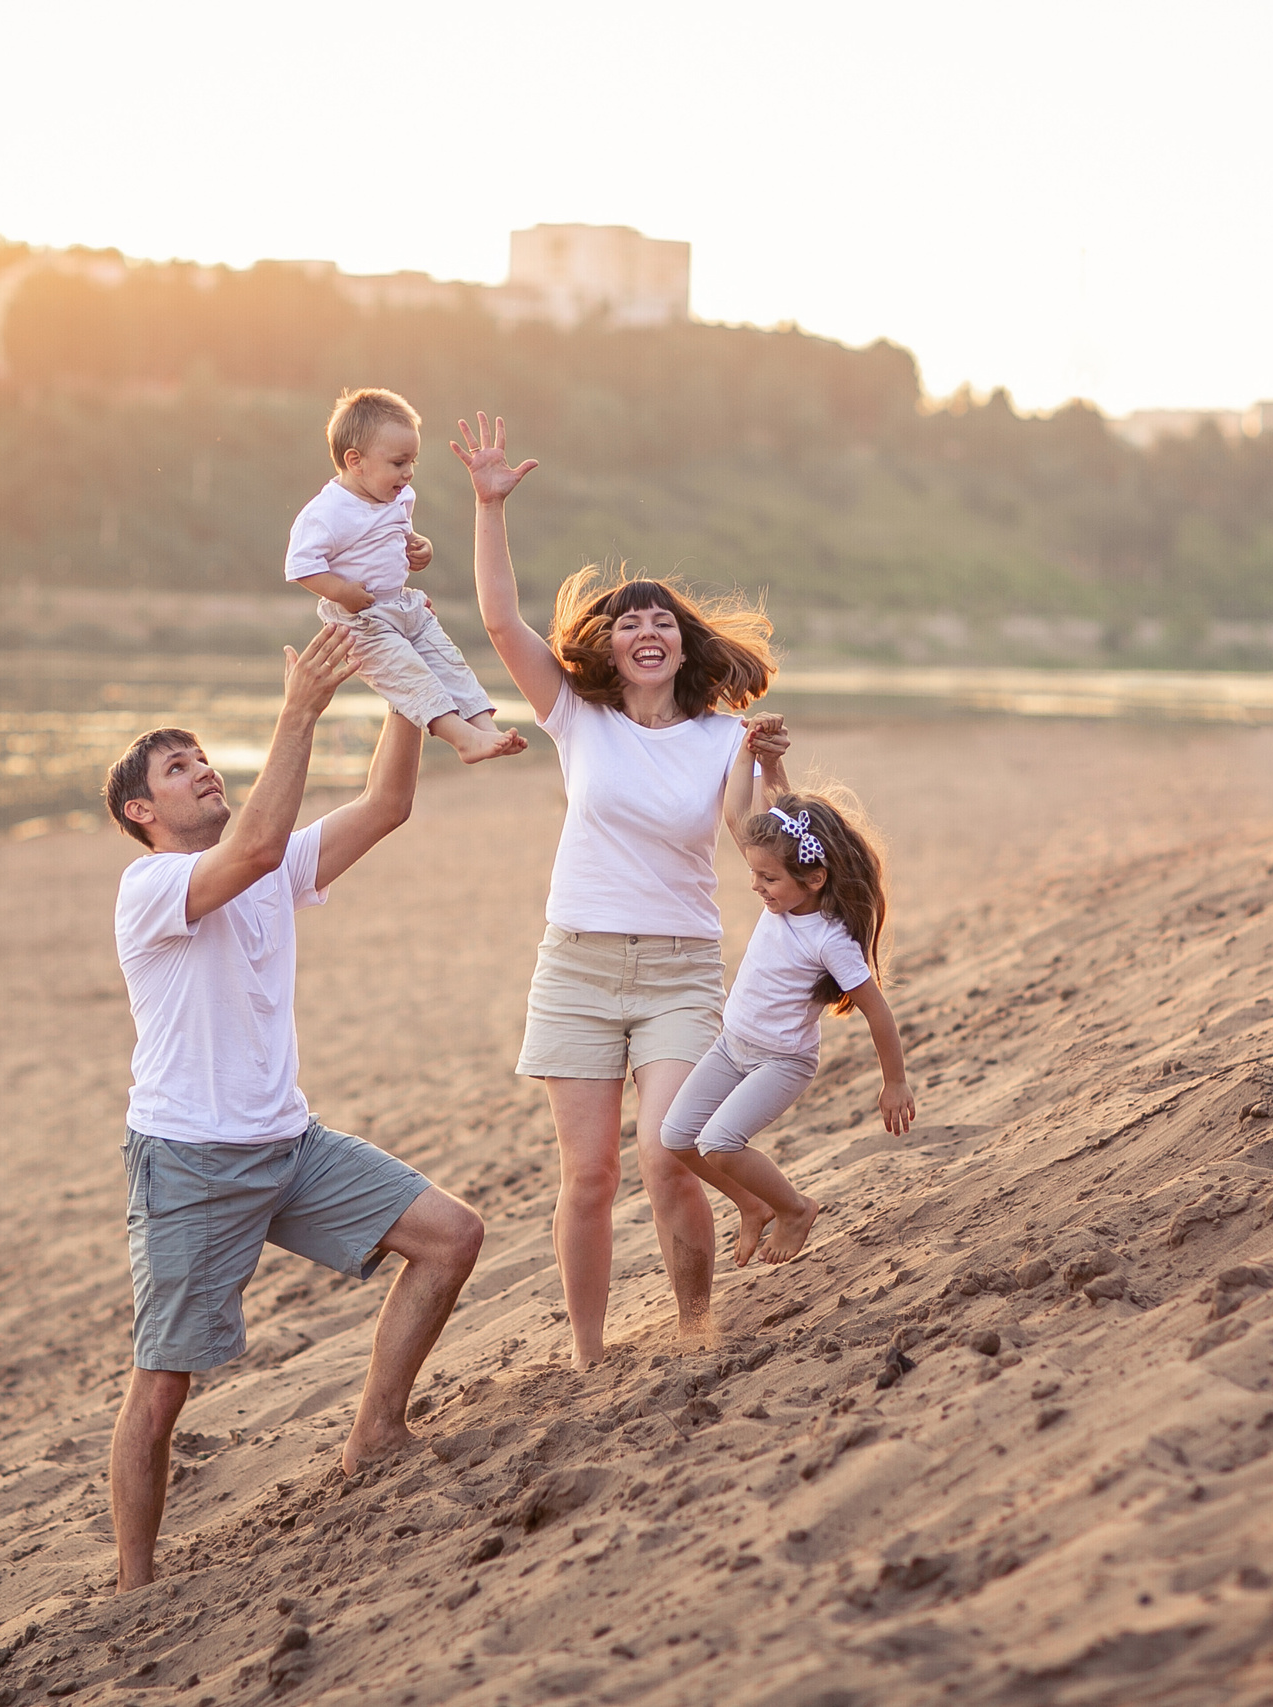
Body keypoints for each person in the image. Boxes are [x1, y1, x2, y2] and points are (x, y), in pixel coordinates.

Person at [100, 623, 484, 1593]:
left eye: (199, 759)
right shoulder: (150, 887)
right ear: (142, 810)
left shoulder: (266, 864)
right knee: (161, 1392)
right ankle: (133, 1583)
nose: (200, 772)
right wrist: (300, 707)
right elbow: (258, 843)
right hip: (189, 1161)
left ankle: (377, 1432)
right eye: (177, 769)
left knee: (450, 1236)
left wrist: (403, 675)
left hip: (289, 1144)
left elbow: (387, 804)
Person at [452, 411, 792, 1369]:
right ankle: (591, 1355)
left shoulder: (723, 739)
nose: (647, 630)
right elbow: (497, 620)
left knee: (667, 1151)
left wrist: (770, 773)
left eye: (663, 622)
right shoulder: (575, 717)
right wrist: (488, 506)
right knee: (590, 1174)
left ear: (684, 648)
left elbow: (755, 839)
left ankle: (694, 1326)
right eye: (630, 621)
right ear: (609, 648)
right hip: (576, 964)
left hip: (680, 967)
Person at [661, 770, 914, 1265]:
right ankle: (753, 1206)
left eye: (767, 878)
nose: (756, 886)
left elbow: (877, 1011)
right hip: (732, 1045)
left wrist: (895, 1082)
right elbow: (773, 813)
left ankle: (794, 1209)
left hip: (782, 1060)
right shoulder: (782, 897)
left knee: (720, 1142)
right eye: (756, 875)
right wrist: (766, 762)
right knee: (676, 1137)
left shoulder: (830, 939)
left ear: (814, 879)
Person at [286, 387, 527, 765]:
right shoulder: (327, 512)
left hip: (405, 605)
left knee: (448, 661)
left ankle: (486, 729)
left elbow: (401, 538)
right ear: (355, 461)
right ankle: (462, 739)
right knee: (412, 676)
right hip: (361, 620)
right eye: (399, 463)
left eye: (412, 462)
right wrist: (341, 592)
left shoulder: (400, 497)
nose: (408, 473)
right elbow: (301, 566)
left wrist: (421, 549)